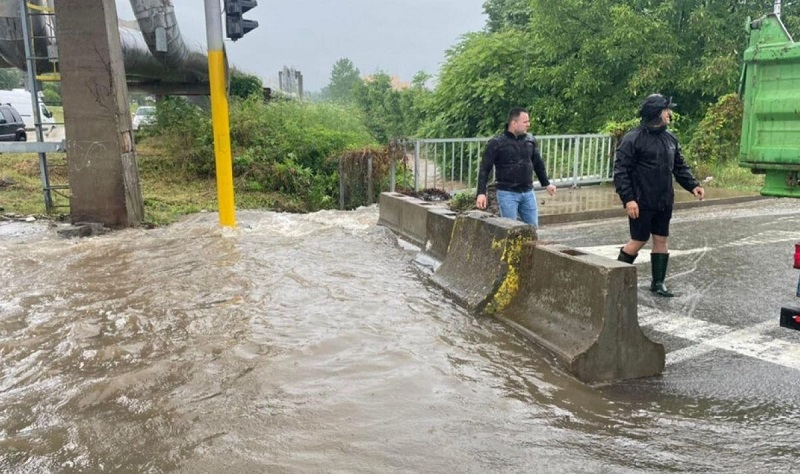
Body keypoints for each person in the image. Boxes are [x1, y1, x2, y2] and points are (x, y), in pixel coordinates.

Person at [614, 93, 705, 297]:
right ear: (656, 113)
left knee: (661, 239)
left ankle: (658, 283)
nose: (669, 114)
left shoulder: (670, 138)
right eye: (666, 110)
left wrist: (693, 185)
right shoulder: (633, 138)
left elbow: (679, 166)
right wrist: (628, 199)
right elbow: (621, 171)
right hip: (640, 201)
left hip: (664, 200)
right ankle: (615, 279)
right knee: (638, 240)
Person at [475, 107, 556, 227]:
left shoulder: (530, 140)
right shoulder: (496, 143)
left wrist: (546, 184)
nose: (528, 124)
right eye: (525, 122)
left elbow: (538, 163)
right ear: (514, 123)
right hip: (507, 193)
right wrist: (481, 193)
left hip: (528, 192)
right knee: (510, 229)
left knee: (533, 228)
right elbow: (485, 169)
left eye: (528, 121)